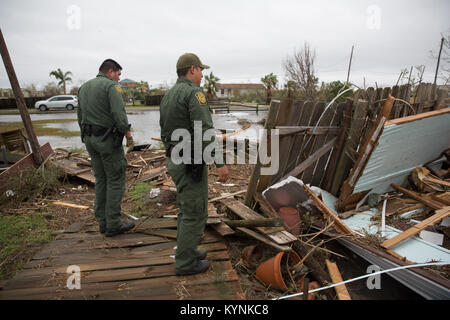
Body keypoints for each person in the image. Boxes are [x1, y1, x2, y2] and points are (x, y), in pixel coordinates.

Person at [160, 53, 229, 276]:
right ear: (192, 69)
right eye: (200, 70)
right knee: (195, 211)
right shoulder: (194, 93)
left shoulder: (169, 95)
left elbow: (163, 129)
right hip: (189, 161)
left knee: (186, 208)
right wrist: (220, 162)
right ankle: (185, 263)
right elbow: (205, 129)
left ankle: (187, 250)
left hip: (176, 158)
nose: (202, 75)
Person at [77, 59, 135, 237]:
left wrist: (86, 137)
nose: (118, 79)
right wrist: (128, 134)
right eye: (118, 74)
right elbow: (119, 114)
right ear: (110, 71)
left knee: (101, 179)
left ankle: (102, 222)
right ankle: (114, 223)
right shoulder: (111, 87)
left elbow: (79, 115)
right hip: (107, 140)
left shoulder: (84, 87)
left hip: (90, 139)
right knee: (115, 179)